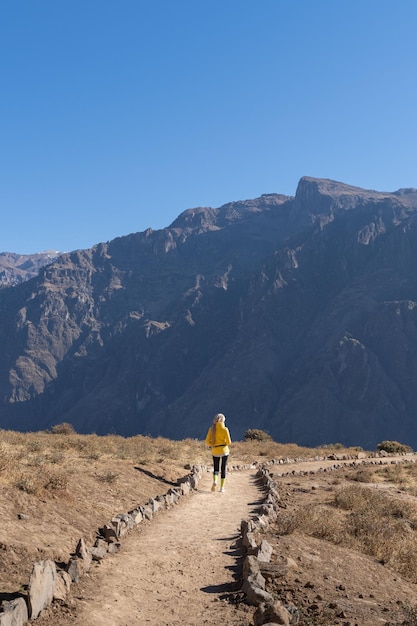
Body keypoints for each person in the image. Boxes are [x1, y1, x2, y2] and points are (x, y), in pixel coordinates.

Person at [205, 413, 231, 492]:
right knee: (223, 469)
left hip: (215, 450)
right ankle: (222, 488)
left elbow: (207, 442)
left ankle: (215, 481)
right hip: (224, 450)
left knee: (216, 468)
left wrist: (212, 445)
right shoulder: (225, 429)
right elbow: (229, 442)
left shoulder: (211, 429)